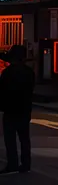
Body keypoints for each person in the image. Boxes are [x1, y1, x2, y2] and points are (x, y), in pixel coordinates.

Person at [0, 44, 35, 174]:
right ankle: (26, 163)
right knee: (24, 137)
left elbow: (2, 90)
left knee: (10, 138)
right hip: (25, 109)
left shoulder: (8, 73)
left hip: (10, 109)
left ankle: (13, 163)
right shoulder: (29, 72)